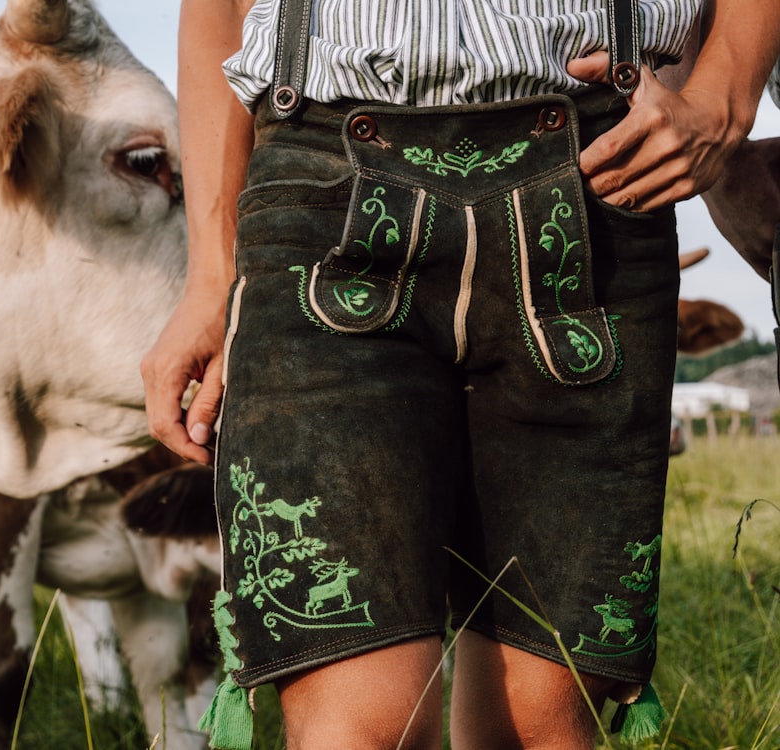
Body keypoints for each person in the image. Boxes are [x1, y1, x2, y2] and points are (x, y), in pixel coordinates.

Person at [141, 1, 780, 748]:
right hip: (320, 189)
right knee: (357, 727)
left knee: (541, 719)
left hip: (597, 185)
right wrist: (211, 273)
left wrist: (728, 91)